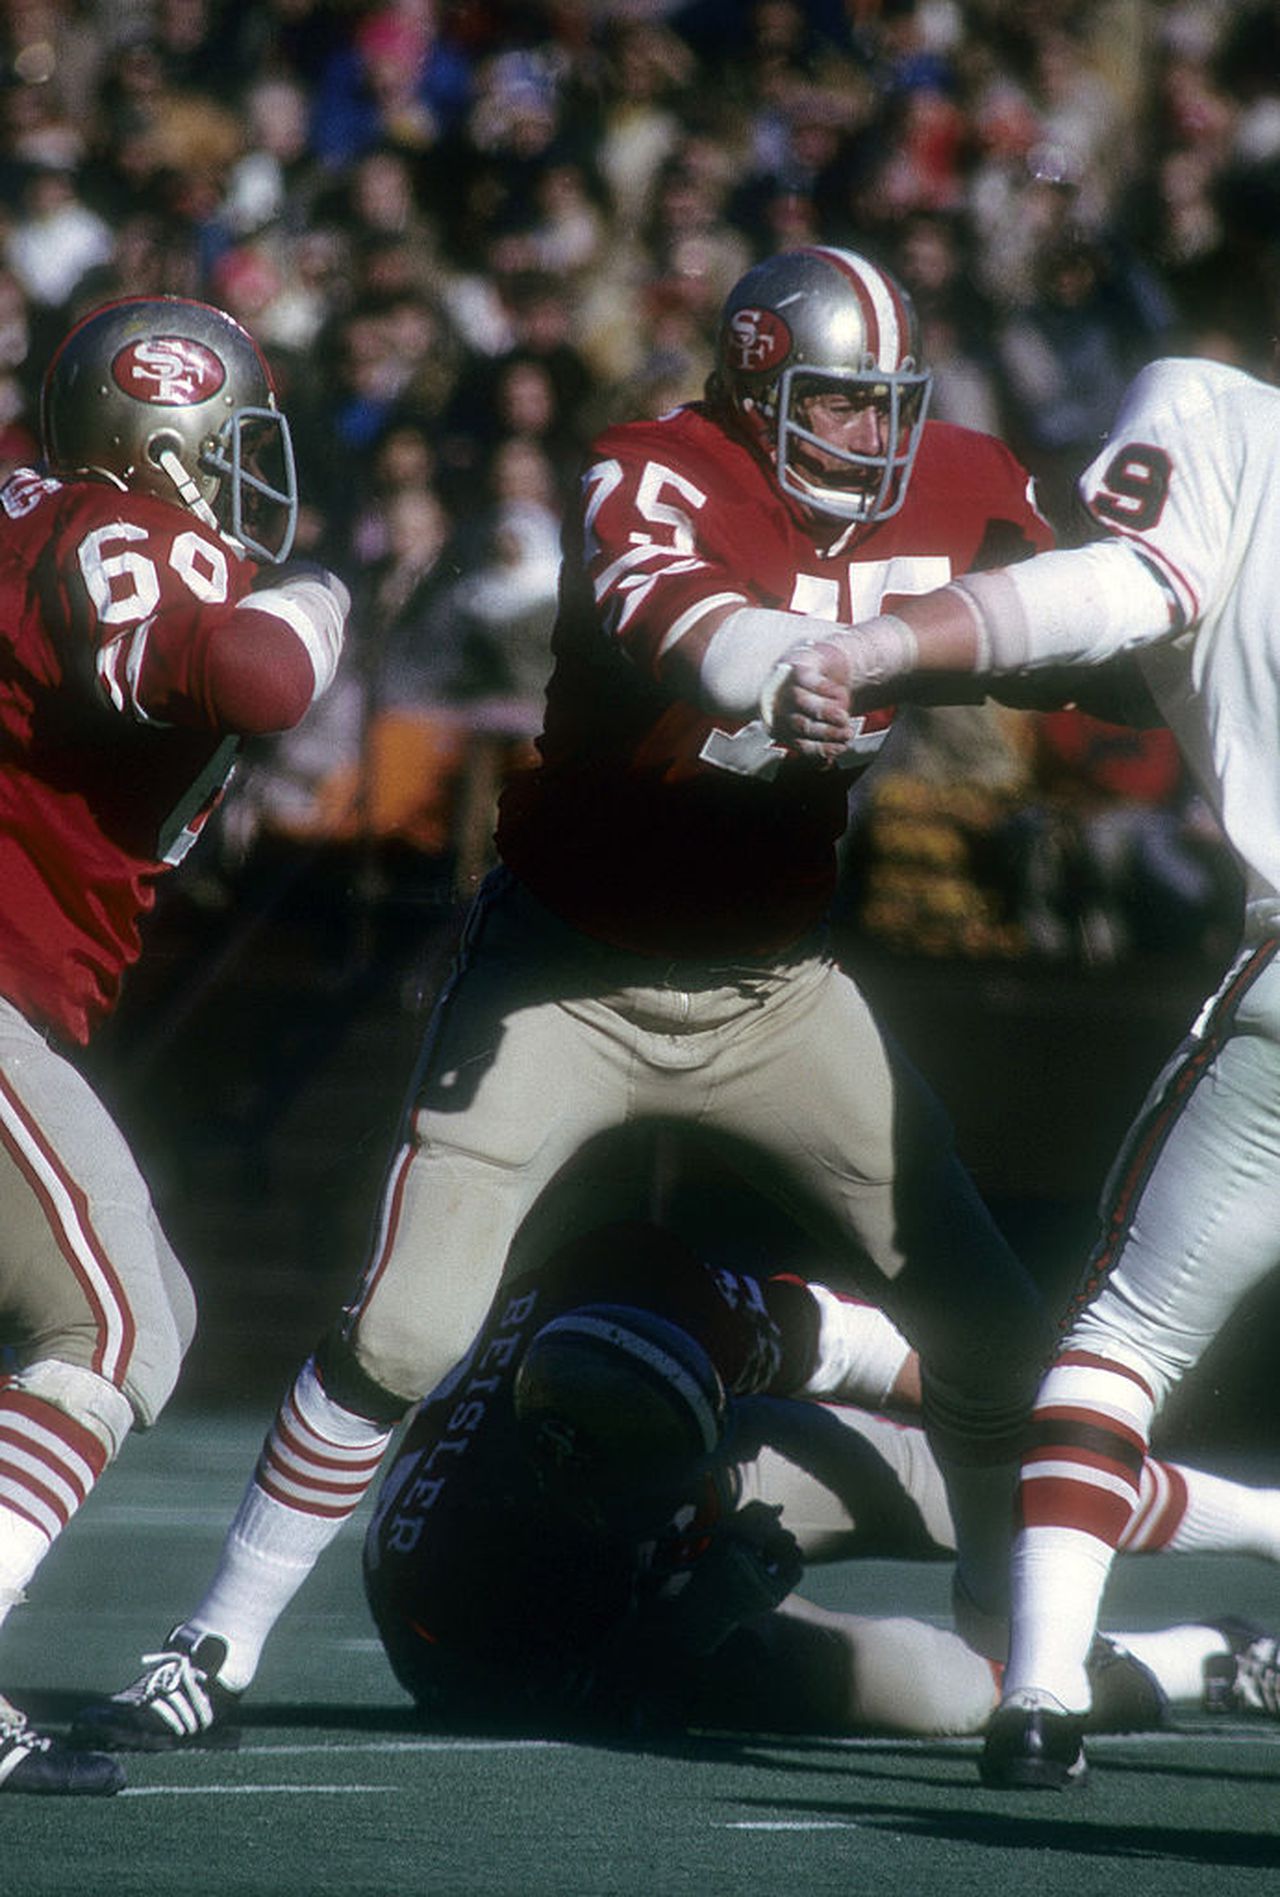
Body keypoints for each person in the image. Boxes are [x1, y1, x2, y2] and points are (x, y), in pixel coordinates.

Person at [76, 245, 1060, 1736]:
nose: (876, 439)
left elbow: (1095, 616)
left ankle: (1015, 1663)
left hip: (771, 989)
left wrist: (1141, 616)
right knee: (407, 1327)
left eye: (886, 408)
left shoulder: (956, 480)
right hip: (570, 971)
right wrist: (805, 657)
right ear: (750, 374)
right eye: (843, 405)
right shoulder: (652, 468)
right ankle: (213, 1645)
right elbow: (691, 625)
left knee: (991, 1325)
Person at [756, 348, 1280, 1787]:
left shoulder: (1221, 415)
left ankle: (1041, 1693)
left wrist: (884, 643)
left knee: (1120, 1346)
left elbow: (1121, 591)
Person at [73, 1219, 1280, 1747]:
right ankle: (1205, 1658)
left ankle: (1265, 1525)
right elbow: (604, 1685)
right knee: (953, 1691)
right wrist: (706, 1604)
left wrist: (1018, 1419)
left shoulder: (653, 1299)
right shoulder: (479, 1585)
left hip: (644, 1446)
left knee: (980, 1453)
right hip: (545, 1643)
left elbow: (863, 1349)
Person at [0, 294, 350, 1795]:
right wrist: (329, 592)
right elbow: (261, 679)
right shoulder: (116, 528)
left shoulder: (30, 509)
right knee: (119, 1327)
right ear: (169, 441)